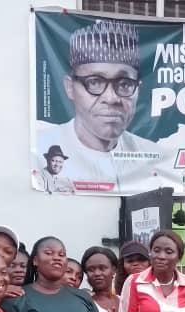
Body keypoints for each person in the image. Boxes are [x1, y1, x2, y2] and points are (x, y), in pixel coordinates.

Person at [36, 20, 157, 192]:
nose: (111, 98)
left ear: (139, 89)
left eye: (124, 84)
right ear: (70, 88)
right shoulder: (42, 144)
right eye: (94, 82)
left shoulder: (152, 157)